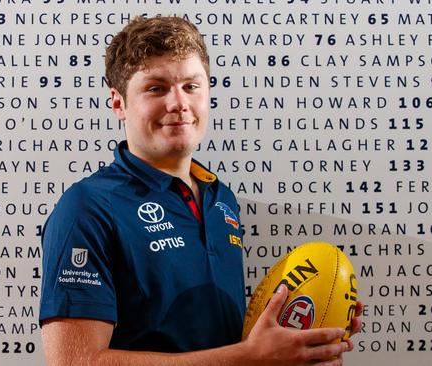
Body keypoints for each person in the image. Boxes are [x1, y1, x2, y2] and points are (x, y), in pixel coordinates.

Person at [39, 15, 362, 366]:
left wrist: (297, 341)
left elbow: (223, 346)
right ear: (118, 103)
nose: (178, 103)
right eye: (156, 88)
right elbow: (76, 362)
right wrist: (249, 358)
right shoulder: (88, 207)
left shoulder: (221, 199)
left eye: (191, 86)